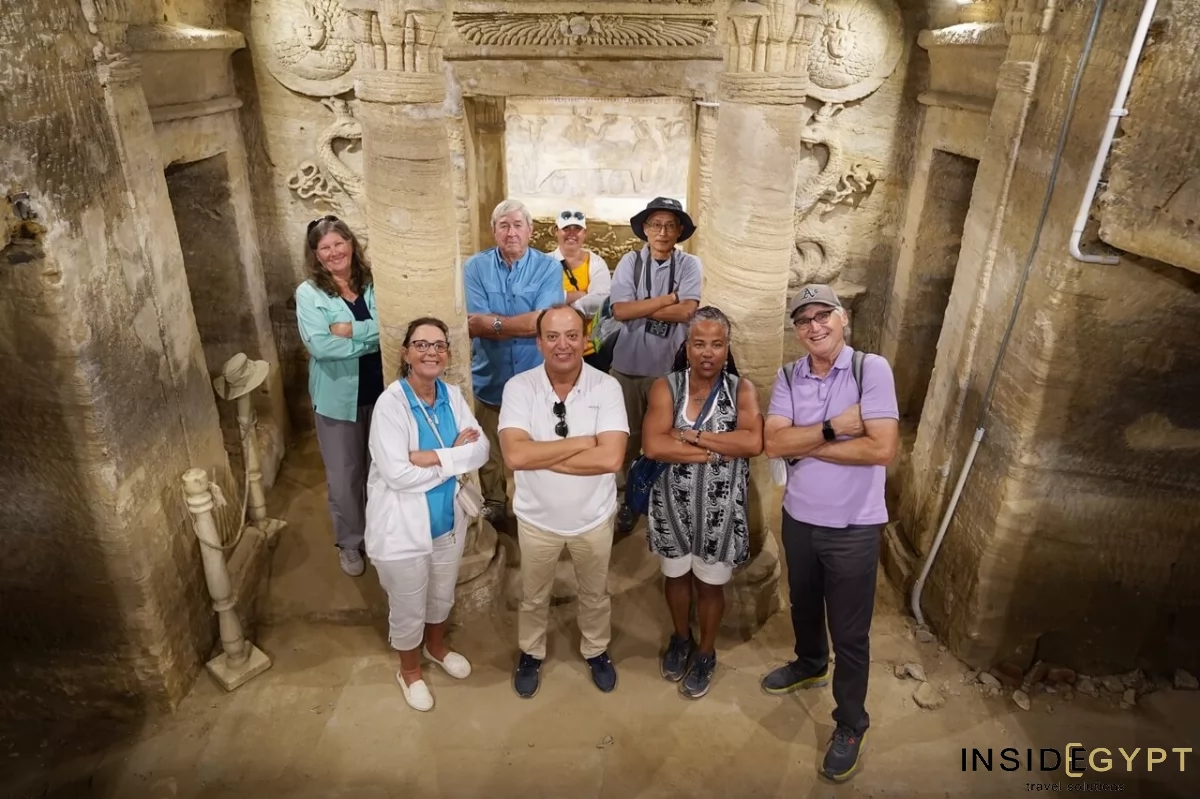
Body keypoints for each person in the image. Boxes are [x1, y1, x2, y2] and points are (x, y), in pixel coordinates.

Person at [759, 284, 899, 783]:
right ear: (797, 331)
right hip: (799, 517)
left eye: (823, 315)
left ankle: (851, 723)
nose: (814, 326)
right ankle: (810, 663)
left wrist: (803, 443)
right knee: (803, 602)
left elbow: (880, 449)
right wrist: (834, 427)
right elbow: (773, 444)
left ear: (843, 319)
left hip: (854, 525)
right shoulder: (787, 376)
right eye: (804, 320)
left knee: (851, 631)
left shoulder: (870, 370)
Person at [497, 304, 629, 698]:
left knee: (595, 593)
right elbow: (515, 455)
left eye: (572, 335)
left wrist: (542, 455)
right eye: (552, 336)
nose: (563, 345)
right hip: (537, 519)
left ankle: (596, 649)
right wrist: (583, 443)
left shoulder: (607, 387)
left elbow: (611, 459)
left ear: (585, 339)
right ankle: (531, 651)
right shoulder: (519, 387)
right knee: (533, 596)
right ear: (539, 343)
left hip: (594, 518)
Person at [364, 317, 490, 711]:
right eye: (421, 345)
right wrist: (453, 458)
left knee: (441, 594)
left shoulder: (452, 395)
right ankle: (409, 671)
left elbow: (481, 449)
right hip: (402, 527)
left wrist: (431, 457)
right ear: (406, 353)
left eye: (438, 345)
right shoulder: (391, 404)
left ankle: (436, 647)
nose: (430, 352)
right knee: (408, 604)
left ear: (447, 354)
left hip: (447, 520)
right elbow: (398, 474)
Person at [641, 307, 763, 699]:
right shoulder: (667, 387)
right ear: (687, 347)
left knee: (710, 586)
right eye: (699, 344)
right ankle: (681, 638)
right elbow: (654, 445)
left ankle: (706, 652)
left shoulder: (741, 390)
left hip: (719, 511)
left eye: (716, 344)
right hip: (672, 508)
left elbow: (752, 442)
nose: (707, 352)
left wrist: (692, 437)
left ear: (727, 348)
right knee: (676, 577)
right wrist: (718, 450)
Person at [464, 199, 565, 527]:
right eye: (503, 225)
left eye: (517, 225)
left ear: (530, 230)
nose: (511, 233)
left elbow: (544, 322)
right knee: (489, 450)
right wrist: (522, 322)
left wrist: (494, 323)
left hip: (535, 381)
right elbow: (473, 323)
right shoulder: (475, 268)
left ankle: (533, 505)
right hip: (489, 377)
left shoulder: (548, 268)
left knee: (535, 447)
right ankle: (495, 502)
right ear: (493, 231)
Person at [295, 215, 384, 577]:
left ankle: (380, 533)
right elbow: (321, 346)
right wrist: (372, 339)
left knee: (380, 469)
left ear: (350, 243)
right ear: (315, 255)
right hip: (337, 400)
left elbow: (394, 325)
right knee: (345, 477)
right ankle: (350, 542)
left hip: (382, 394)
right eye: (324, 248)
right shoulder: (309, 293)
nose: (333, 252)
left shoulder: (373, 281)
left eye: (338, 243)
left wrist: (350, 330)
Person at [607, 197, 702, 533]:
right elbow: (620, 311)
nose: (663, 232)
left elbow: (687, 311)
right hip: (628, 367)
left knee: (668, 437)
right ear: (645, 229)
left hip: (669, 370)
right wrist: (668, 299)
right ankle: (626, 500)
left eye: (670, 225)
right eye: (656, 224)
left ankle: (664, 501)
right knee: (626, 437)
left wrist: (642, 305)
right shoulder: (630, 262)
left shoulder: (689, 265)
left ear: (679, 231)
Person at [548, 208, 611, 370]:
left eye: (577, 229)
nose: (572, 234)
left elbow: (601, 300)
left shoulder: (596, 263)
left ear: (585, 233)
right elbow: (537, 300)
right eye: (566, 228)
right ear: (556, 231)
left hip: (590, 351)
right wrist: (577, 295)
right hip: (552, 351)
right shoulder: (543, 264)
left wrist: (563, 309)